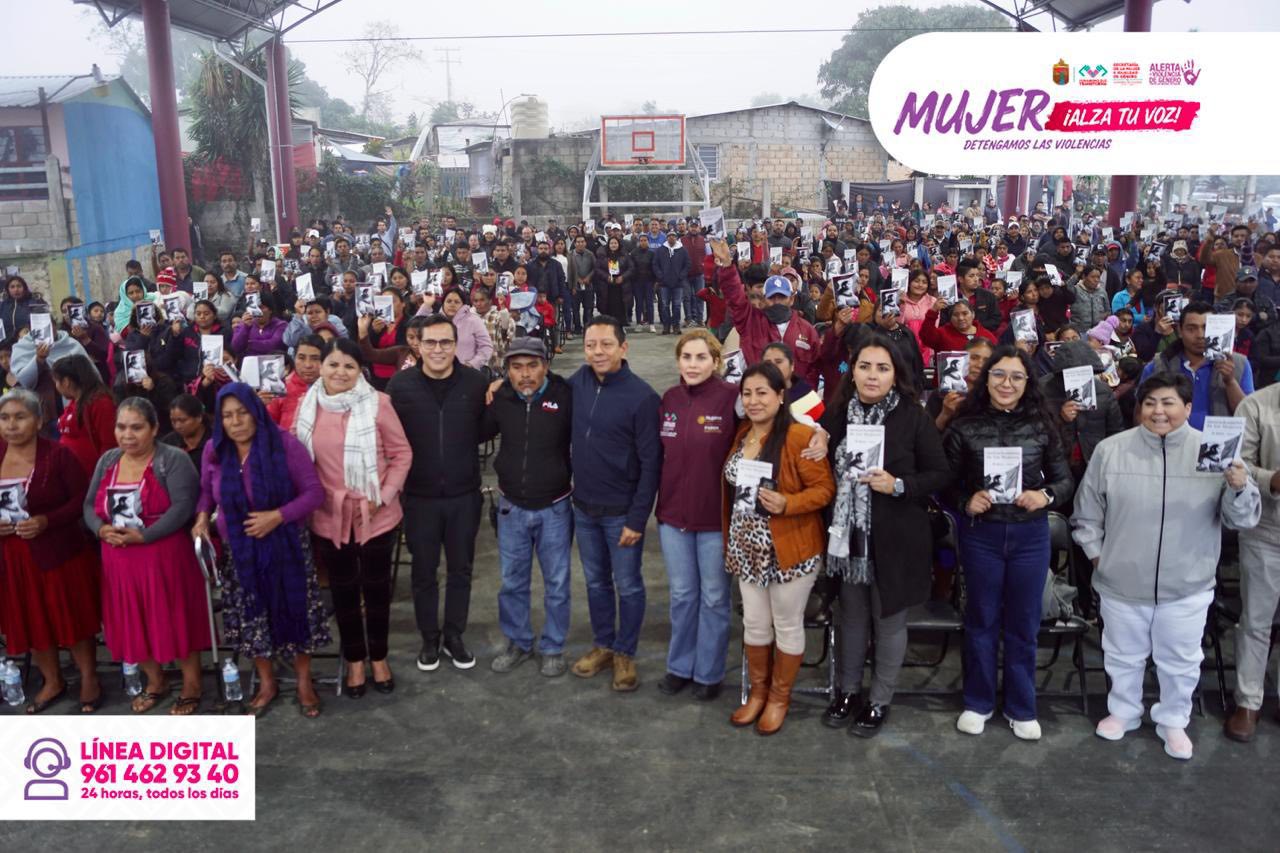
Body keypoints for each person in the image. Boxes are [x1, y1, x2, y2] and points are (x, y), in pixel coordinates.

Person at [1072, 373, 1259, 759]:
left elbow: (1240, 520)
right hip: (1121, 580)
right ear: (1140, 407)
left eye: (1169, 402)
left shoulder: (1216, 452)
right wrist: (1098, 556)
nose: (1159, 411)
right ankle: (1123, 711)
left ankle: (1174, 718)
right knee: (1122, 654)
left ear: (1188, 409)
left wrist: (1240, 487)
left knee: (1181, 660)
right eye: (1151, 402)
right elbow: (1086, 515)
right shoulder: (1111, 450)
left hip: (1187, 583)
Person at [818, 333, 952, 736]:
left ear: (896, 375)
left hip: (896, 537)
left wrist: (897, 484)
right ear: (852, 372)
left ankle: (879, 700)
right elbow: (818, 458)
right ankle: (847, 692)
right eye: (864, 367)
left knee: (889, 621)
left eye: (882, 368)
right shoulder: (837, 414)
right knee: (851, 618)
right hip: (848, 539)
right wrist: (815, 443)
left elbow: (940, 473)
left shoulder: (913, 416)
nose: (872, 376)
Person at [943, 346, 1073, 740]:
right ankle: (978, 701)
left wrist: (1046, 496)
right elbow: (945, 484)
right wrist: (966, 501)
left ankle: (1021, 706)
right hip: (981, 535)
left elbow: (1065, 480)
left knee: (1023, 622)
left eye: (1017, 376)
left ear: (1028, 382)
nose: (1007, 383)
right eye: (999, 375)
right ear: (987, 379)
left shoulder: (1043, 425)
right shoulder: (964, 425)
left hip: (1030, 535)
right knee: (981, 619)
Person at [192, 385, 330, 717]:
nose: (236, 422)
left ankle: (303, 682)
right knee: (253, 618)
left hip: (286, 548)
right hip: (240, 552)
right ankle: (266, 683)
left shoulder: (284, 445)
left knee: (295, 612)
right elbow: (206, 494)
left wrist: (277, 517)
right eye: (227, 415)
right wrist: (200, 520)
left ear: (256, 412)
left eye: (242, 413)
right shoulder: (215, 450)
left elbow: (314, 494)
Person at [295, 339, 411, 697]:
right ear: (321, 368)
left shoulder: (378, 404)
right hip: (329, 514)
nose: (339, 372)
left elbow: (401, 454)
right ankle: (356, 660)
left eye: (348, 366)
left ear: (360, 370)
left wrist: (384, 494)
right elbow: (299, 460)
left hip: (375, 511)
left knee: (376, 590)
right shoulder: (308, 406)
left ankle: (379, 656)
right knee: (343, 592)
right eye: (333, 364)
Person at [725, 362, 835, 735]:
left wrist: (789, 504)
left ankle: (778, 698)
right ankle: (756, 693)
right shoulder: (742, 435)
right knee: (754, 623)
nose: (754, 401)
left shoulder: (800, 437)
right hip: (747, 549)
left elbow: (824, 491)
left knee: (787, 624)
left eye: (762, 393)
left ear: (780, 396)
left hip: (790, 550)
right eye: (748, 393)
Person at [82, 397, 210, 714]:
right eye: (122, 427)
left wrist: (145, 535)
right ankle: (156, 680)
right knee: (133, 620)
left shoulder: (172, 459)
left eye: (137, 427)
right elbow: (87, 506)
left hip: (162, 555)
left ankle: (192, 682)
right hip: (119, 559)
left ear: (154, 429)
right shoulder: (108, 460)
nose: (128, 435)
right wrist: (100, 529)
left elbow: (183, 507)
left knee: (174, 618)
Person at [388, 314, 488, 671]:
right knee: (424, 572)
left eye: (446, 342)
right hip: (419, 497)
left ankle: (454, 635)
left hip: (464, 494)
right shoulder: (400, 387)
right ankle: (429, 638)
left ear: (455, 343)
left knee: (461, 569)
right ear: (418, 344)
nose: (438, 349)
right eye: (430, 342)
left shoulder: (476, 384)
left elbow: (488, 428)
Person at [566, 316, 661, 691]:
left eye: (606, 344)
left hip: (621, 512)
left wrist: (637, 519)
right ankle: (604, 644)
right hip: (584, 507)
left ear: (624, 347)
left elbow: (651, 466)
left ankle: (625, 652)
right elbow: (539, 390)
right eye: (591, 345)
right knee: (595, 582)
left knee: (629, 585)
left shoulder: (643, 398)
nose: (597, 352)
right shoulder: (577, 384)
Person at [0, 391, 103, 714]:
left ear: (38, 420)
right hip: (13, 556)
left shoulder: (58, 455)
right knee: (31, 617)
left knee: (69, 614)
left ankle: (88, 676)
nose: (12, 425)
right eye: (5, 418)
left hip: (58, 551)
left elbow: (81, 501)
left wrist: (46, 521)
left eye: (20, 417)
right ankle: (52, 679)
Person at [481, 337, 574, 677]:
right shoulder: (501, 398)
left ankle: (552, 646)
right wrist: (488, 389)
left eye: (532, 365)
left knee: (558, 582)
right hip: (511, 507)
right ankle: (519, 642)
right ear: (507, 371)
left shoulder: (565, 395)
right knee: (512, 581)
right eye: (516, 367)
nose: (525, 374)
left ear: (546, 366)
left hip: (555, 507)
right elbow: (478, 430)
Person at [654, 330, 739, 699]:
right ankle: (680, 666)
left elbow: (781, 412)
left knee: (715, 599)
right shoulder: (669, 399)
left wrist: (815, 433)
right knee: (683, 596)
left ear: (716, 362)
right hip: (673, 517)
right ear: (677, 361)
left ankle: (708, 672)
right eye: (686, 357)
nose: (692, 364)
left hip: (714, 519)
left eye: (701, 357)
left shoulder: (732, 399)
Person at [1226, 380, 1280, 741]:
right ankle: (1248, 700)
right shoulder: (1257, 405)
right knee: (1257, 620)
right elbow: (1238, 463)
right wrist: (1272, 479)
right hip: (1267, 529)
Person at [1139, 302, 1254, 429]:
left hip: (1218, 445)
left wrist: (1230, 381)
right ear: (1180, 331)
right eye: (1191, 329)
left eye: (1206, 328)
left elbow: (1247, 416)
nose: (1200, 335)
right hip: (1171, 445)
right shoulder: (1158, 365)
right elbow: (1141, 416)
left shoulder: (1238, 363)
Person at [51, 354, 116, 476]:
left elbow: (109, 444)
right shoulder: (75, 401)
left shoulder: (101, 403)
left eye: (56, 381)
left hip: (91, 477)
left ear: (66, 382)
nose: (56, 387)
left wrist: (103, 476)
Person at [160, 393, 211, 472]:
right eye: (173, 421)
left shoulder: (215, 441)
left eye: (182, 420)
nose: (177, 426)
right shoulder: (168, 443)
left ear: (199, 417)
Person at [653, 230, 691, 334]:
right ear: (667, 238)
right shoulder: (661, 250)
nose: (671, 238)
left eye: (673, 236)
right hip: (664, 283)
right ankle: (666, 326)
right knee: (665, 305)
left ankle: (676, 325)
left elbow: (687, 264)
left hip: (678, 283)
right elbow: (655, 264)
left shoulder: (682, 250)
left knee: (677, 305)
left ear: (676, 238)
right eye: (669, 236)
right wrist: (660, 276)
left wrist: (681, 276)